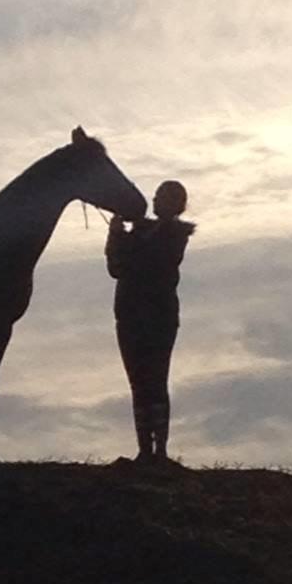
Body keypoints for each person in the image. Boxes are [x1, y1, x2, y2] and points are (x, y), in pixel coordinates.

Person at [105, 180, 195, 464]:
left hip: (157, 315)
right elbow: (116, 268)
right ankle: (146, 449)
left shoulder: (175, 236)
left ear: (176, 204)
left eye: (163, 197)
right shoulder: (142, 232)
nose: (155, 201)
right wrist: (115, 237)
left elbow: (139, 264)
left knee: (154, 379)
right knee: (139, 381)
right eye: (157, 196)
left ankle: (158, 451)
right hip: (131, 313)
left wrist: (119, 238)